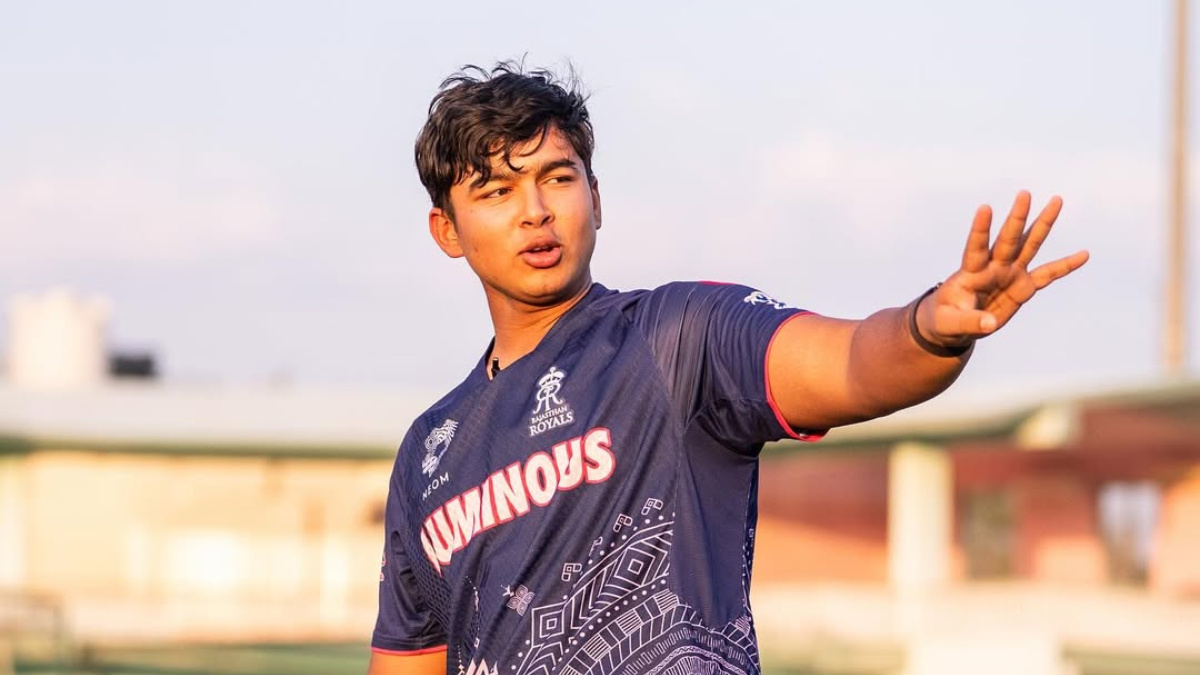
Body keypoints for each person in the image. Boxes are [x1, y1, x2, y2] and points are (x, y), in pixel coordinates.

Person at [367, 62, 1088, 675]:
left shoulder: (674, 340)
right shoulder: (432, 449)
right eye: (496, 191)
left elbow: (849, 364)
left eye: (558, 178)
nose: (535, 212)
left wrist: (927, 328)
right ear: (447, 230)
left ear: (595, 197)